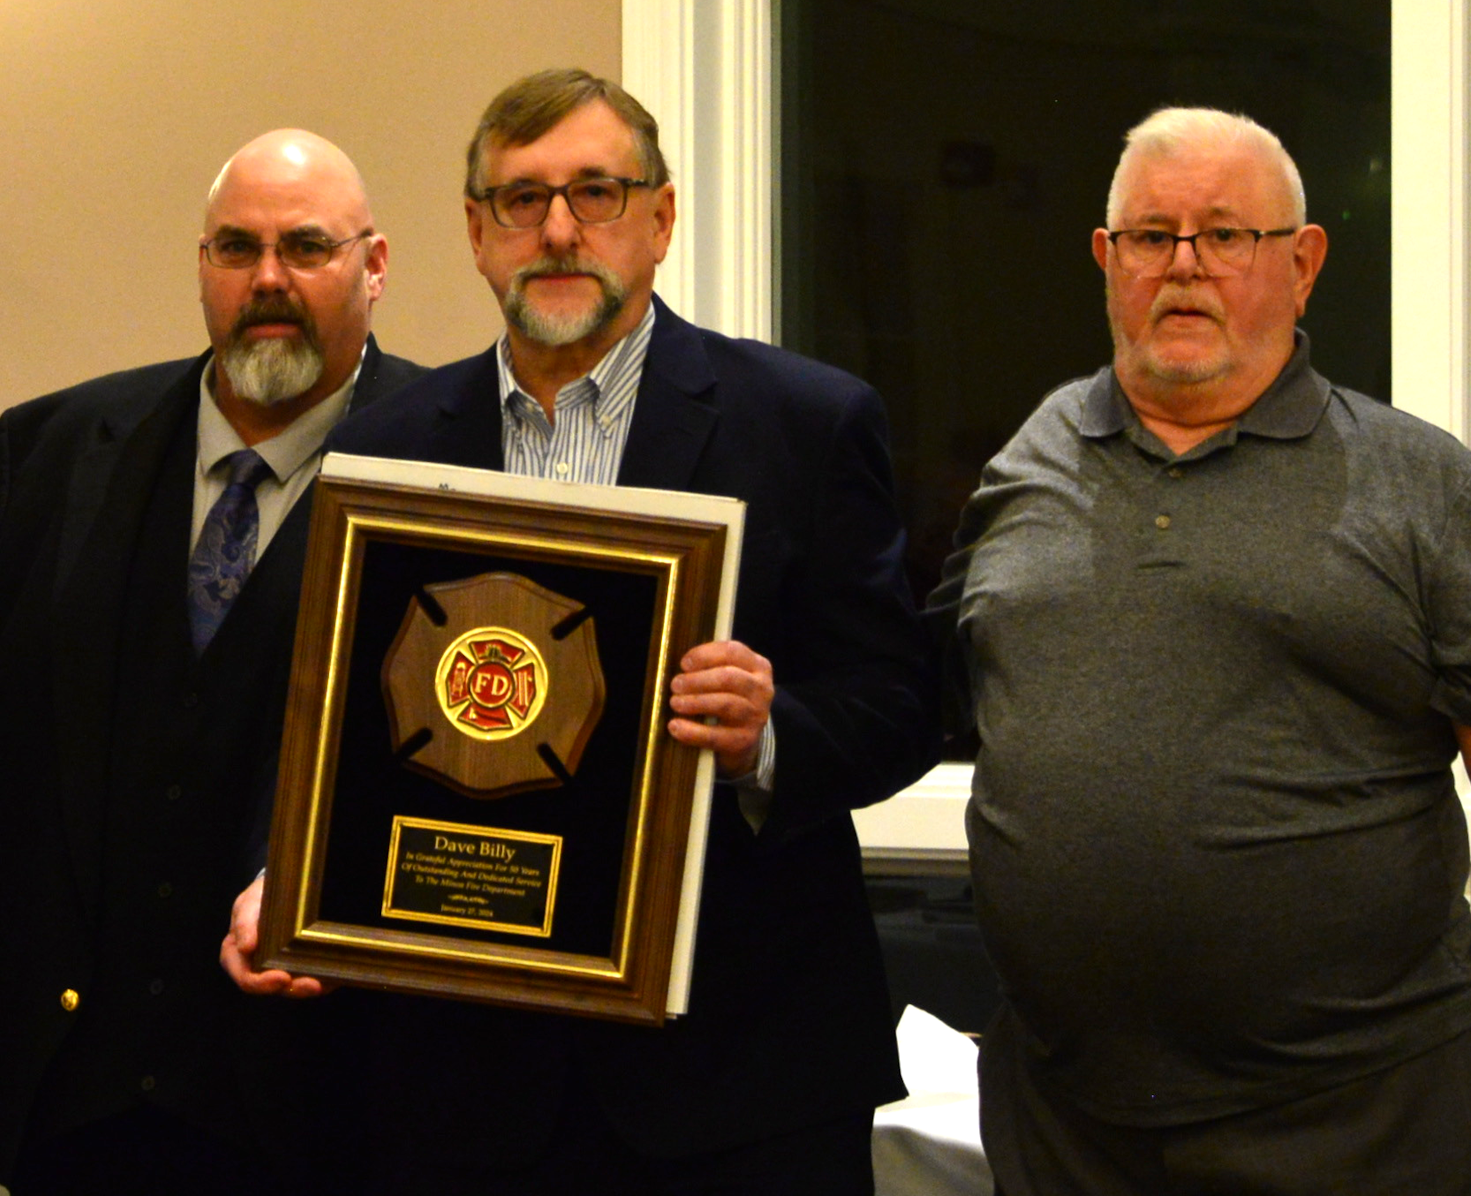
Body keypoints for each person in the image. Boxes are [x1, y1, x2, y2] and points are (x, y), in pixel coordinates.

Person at [223, 70, 938, 1194]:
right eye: (519, 200)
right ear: (473, 233)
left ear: (658, 218)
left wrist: (765, 731)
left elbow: (898, 705)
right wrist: (290, 870)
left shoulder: (802, 422)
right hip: (459, 1092)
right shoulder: (389, 447)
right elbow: (336, 718)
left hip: (737, 1088)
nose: (557, 230)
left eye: (595, 193)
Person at [930, 107, 1471, 1194]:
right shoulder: (1024, 461)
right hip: (1064, 1117)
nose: (1182, 267)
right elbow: (948, 697)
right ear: (1104, 259)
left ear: (1302, 262)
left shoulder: (1415, 480)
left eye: (1224, 235)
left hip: (1359, 1115)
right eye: (1149, 236)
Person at [0, 129, 425, 1194]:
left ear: (373, 267)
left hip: (334, 1098)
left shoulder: (448, 460)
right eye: (237, 248)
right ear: (202, 265)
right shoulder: (54, 445)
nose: (268, 280)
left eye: (306, 248)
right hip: (72, 1093)